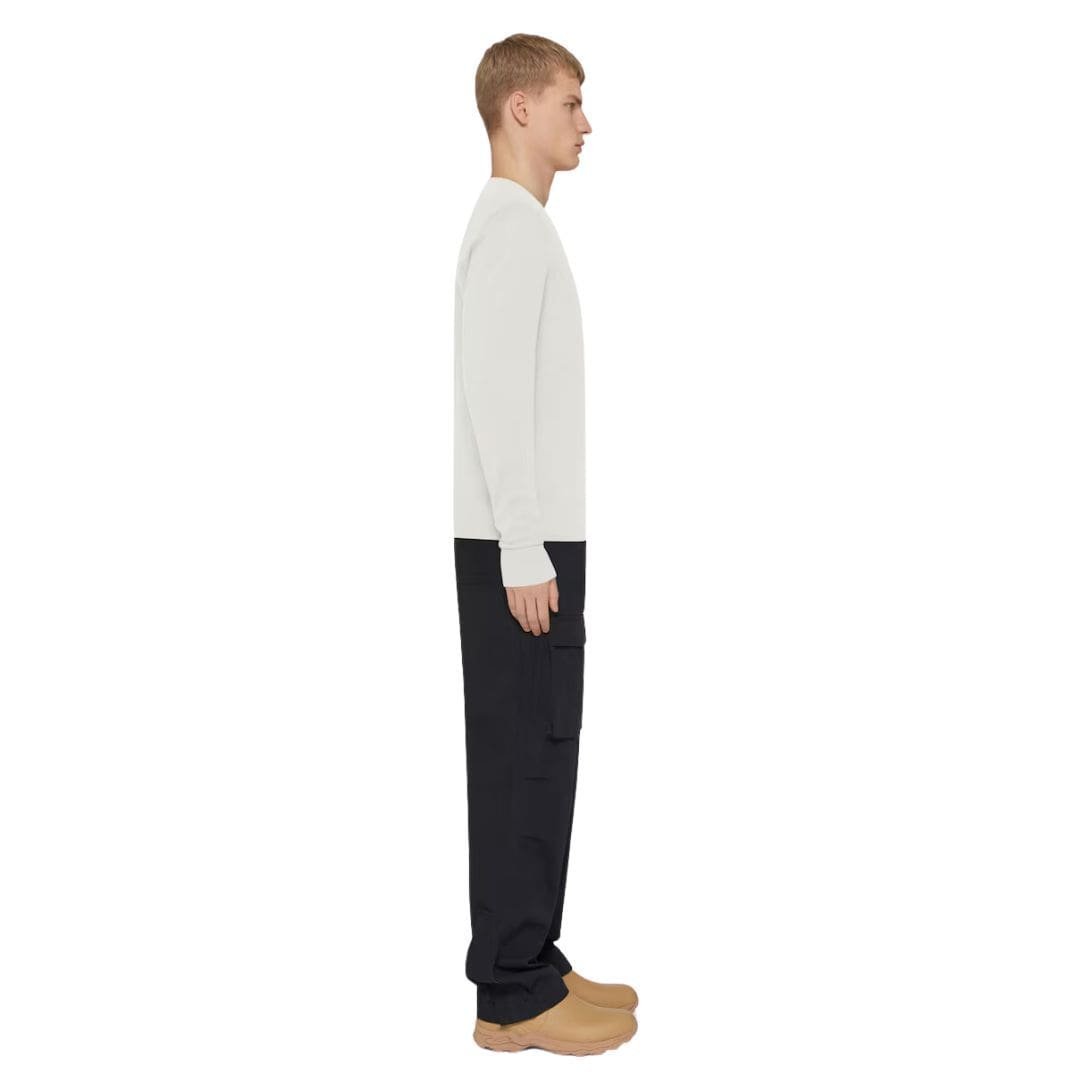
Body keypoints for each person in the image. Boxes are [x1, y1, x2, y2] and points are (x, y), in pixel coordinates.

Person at [452, 34, 638, 1056]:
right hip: (518, 547)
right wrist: (523, 547)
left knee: (541, 750)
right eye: (571, 101)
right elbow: (494, 396)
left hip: (531, 540)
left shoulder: (518, 228)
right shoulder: (511, 229)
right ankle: (512, 992)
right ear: (518, 108)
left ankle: (534, 958)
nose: (586, 121)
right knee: (524, 756)